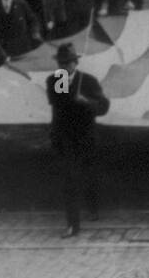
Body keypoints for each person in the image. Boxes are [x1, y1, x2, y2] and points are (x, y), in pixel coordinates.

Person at [45, 42, 110, 238]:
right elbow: (61, 102)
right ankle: (73, 225)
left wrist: (88, 102)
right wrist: (74, 95)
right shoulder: (55, 80)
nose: (64, 67)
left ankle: (93, 208)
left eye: (68, 63)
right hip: (65, 138)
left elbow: (103, 107)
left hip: (85, 137)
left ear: (75, 63)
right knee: (69, 180)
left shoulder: (88, 81)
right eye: (61, 64)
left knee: (89, 175)